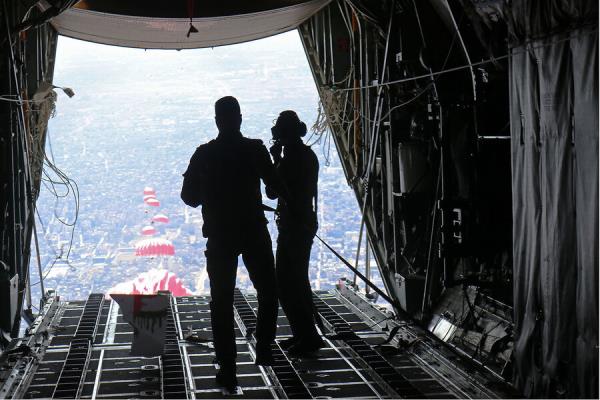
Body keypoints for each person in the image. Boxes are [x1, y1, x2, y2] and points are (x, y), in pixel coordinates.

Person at [181, 96, 279, 392]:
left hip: (221, 234)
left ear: (217, 121)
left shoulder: (204, 154)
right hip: (253, 229)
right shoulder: (255, 149)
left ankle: (228, 369)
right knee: (268, 290)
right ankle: (264, 347)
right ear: (239, 118)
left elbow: (190, 197)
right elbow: (274, 191)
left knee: (221, 302)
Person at [266, 110, 325, 357]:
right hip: (302, 223)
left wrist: (274, 160)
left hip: (294, 226)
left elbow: (271, 190)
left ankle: (307, 336)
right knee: (297, 280)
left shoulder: (290, 158)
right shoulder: (306, 154)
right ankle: (304, 334)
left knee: (287, 282)